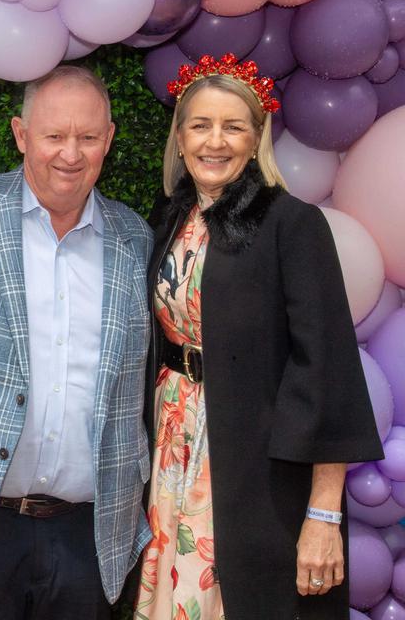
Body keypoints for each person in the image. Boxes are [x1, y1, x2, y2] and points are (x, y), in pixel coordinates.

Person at [134, 54, 383, 620]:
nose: (214, 142)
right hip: (174, 449)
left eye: (233, 126)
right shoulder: (171, 219)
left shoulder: (292, 225)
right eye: (200, 125)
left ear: (256, 139)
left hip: (257, 474)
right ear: (178, 137)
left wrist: (323, 515)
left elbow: (328, 371)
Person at [0, 65, 153, 620]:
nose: (70, 154)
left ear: (110, 140)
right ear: (21, 134)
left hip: (89, 535)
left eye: (88, 137)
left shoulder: (137, 239)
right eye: (54, 136)